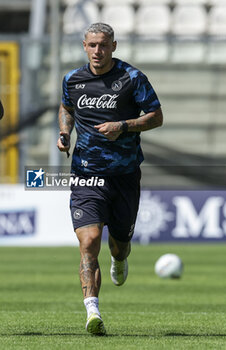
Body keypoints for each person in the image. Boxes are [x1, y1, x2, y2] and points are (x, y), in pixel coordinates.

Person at [57, 23, 163, 336]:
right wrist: (64, 133)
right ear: (84, 46)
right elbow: (67, 108)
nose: (97, 51)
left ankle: (120, 258)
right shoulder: (72, 80)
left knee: (119, 247)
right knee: (88, 242)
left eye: (103, 45)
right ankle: (92, 312)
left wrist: (124, 125)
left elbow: (156, 116)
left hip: (125, 176)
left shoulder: (132, 78)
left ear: (113, 46)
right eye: (92, 45)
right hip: (86, 175)